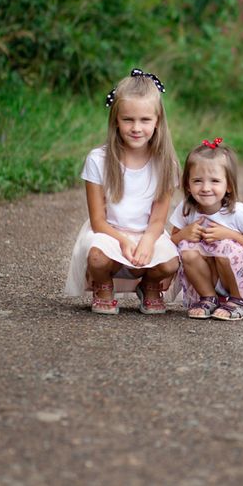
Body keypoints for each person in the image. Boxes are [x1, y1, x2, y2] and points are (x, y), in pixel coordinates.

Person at [63, 68, 181, 315]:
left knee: (171, 262)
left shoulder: (165, 163)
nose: (136, 128)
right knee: (97, 256)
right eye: (128, 119)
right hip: (109, 234)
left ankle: (149, 285)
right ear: (116, 119)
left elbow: (158, 219)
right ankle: (103, 284)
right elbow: (97, 221)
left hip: (147, 232)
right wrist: (124, 241)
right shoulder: (99, 160)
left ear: (157, 121)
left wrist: (147, 242)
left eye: (145, 120)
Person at [170, 138, 243, 320]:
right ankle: (208, 297)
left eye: (215, 181)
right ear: (187, 184)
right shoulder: (187, 208)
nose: (205, 188)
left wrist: (231, 234)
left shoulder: (238, 212)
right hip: (211, 275)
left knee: (225, 245)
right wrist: (184, 234)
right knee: (186, 248)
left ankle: (238, 301)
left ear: (229, 186)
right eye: (197, 181)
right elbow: (171, 243)